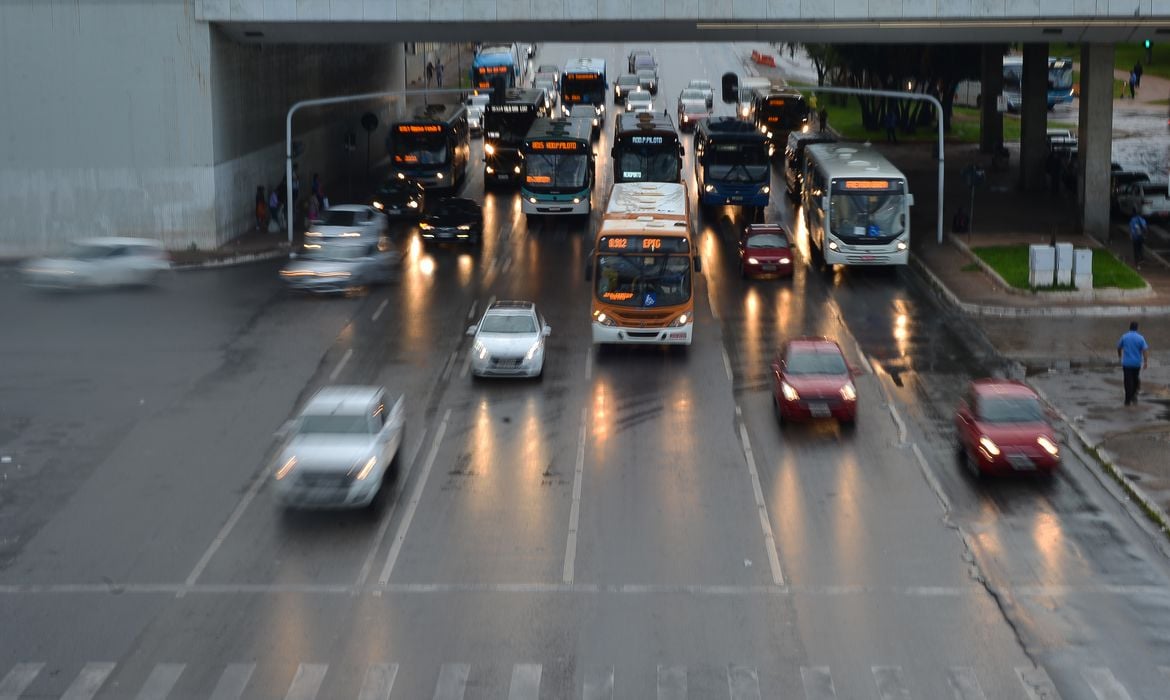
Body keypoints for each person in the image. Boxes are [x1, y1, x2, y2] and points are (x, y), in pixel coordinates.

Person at [1118, 321, 1150, 406]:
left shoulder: (1124, 337)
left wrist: (1120, 356)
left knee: (1127, 381)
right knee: (1135, 378)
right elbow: (1145, 350)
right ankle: (1134, 395)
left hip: (1127, 363)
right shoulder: (1140, 338)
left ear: (1130, 327)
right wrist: (1146, 362)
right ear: (1137, 328)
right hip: (1136, 363)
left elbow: (1119, 347)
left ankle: (1127, 399)